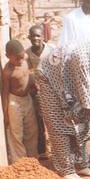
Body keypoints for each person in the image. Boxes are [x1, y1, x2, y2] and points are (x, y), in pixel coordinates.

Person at [36, 32, 90, 179]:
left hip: (70, 84)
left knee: (82, 119)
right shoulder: (82, 56)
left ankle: (81, 164)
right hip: (50, 80)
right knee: (59, 124)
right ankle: (65, 169)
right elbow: (85, 90)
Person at [2, 39, 38, 164]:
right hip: (14, 101)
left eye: (22, 57)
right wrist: (6, 113)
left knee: (32, 130)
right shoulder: (7, 72)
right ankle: (19, 162)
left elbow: (31, 73)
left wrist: (33, 85)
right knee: (16, 133)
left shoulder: (25, 58)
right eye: (17, 58)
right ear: (7, 56)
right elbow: (5, 93)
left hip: (27, 99)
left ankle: (32, 160)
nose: (21, 61)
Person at [25, 24, 54, 156]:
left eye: (38, 35)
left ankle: (57, 149)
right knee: (39, 121)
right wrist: (34, 83)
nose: (36, 38)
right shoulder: (27, 54)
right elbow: (28, 71)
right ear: (29, 37)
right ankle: (43, 150)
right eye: (33, 36)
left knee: (53, 119)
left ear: (43, 37)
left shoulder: (52, 50)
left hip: (52, 90)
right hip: (36, 91)